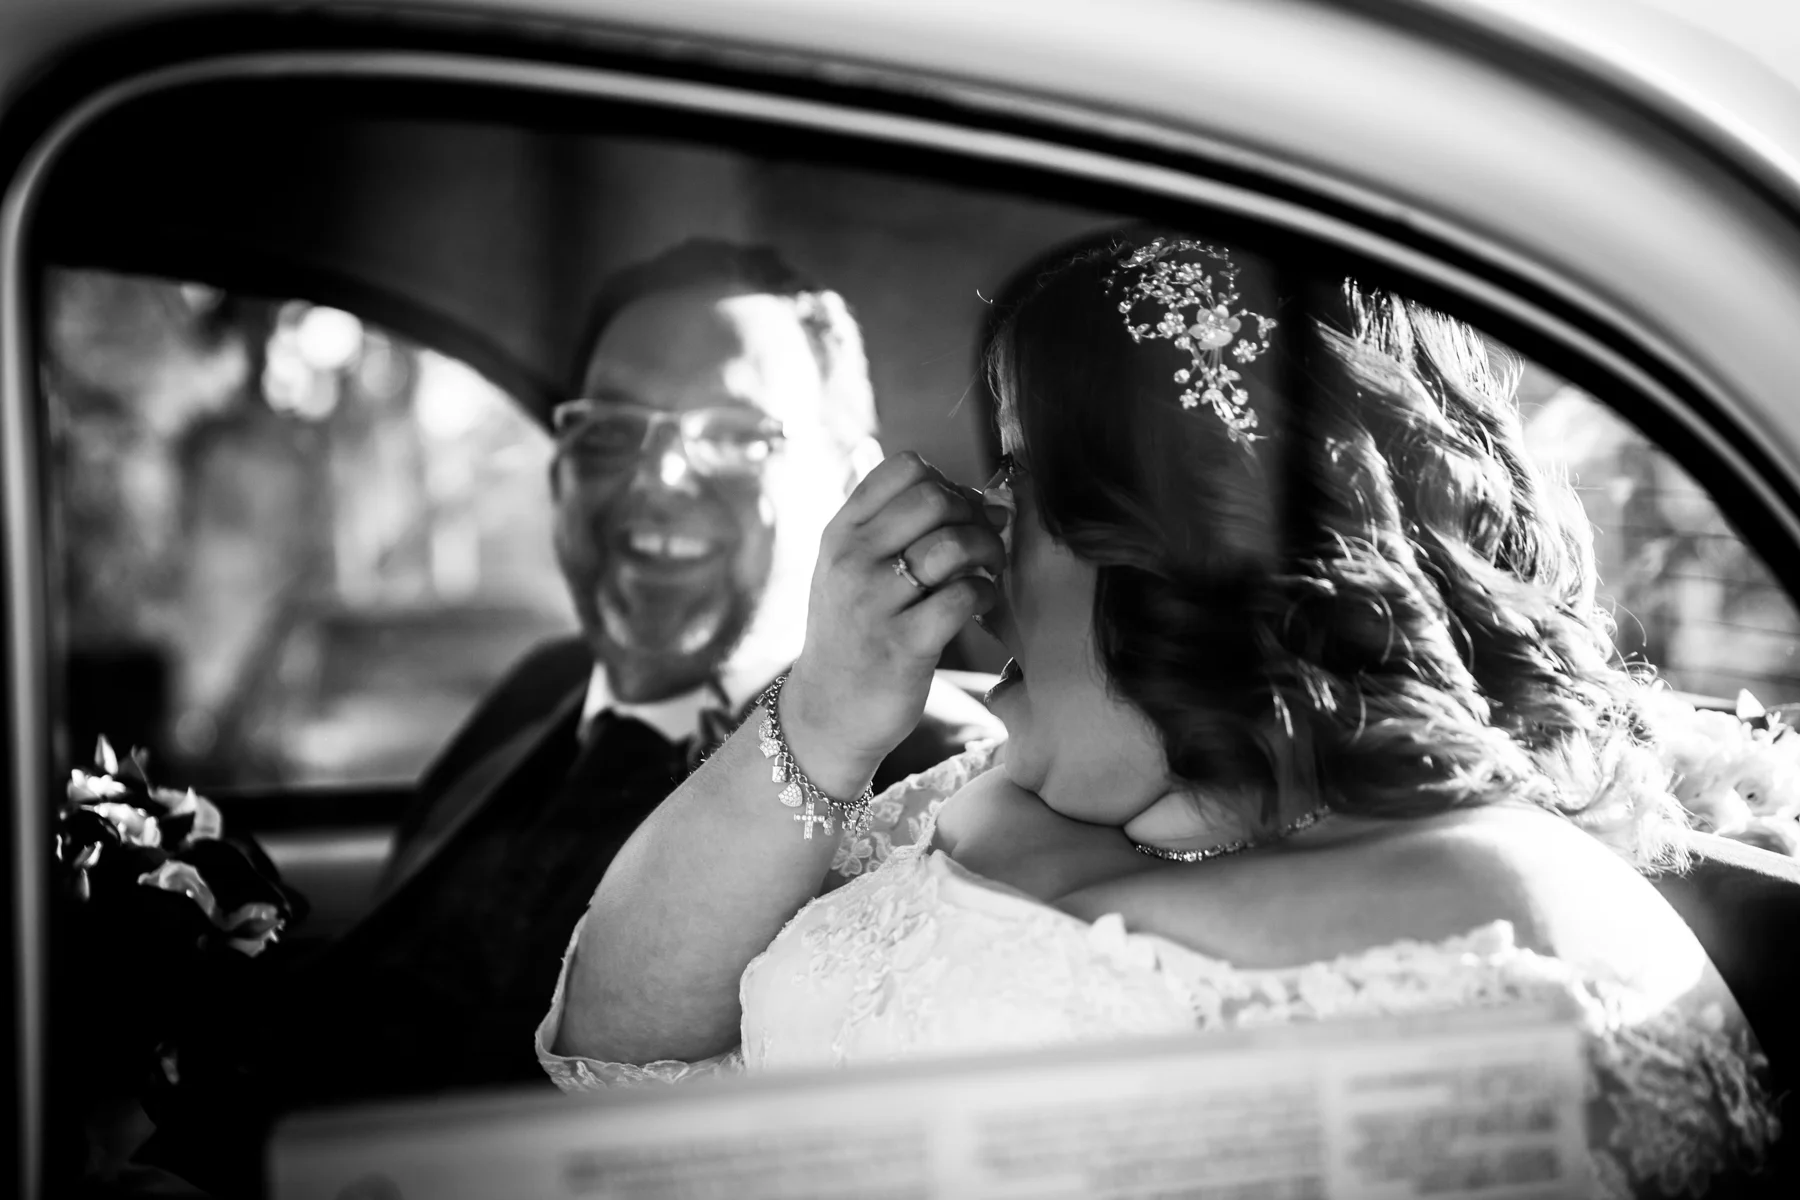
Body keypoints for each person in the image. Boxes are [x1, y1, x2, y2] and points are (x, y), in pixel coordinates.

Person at [537, 233, 1780, 1193]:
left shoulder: (1506, 926)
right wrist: (819, 719)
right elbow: (616, 1054)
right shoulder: (975, 789)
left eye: (1019, 473)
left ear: (1185, 539)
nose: (979, 526)